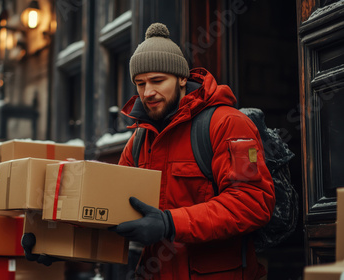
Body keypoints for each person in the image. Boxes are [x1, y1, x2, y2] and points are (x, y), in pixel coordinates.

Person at [109, 23, 275, 279]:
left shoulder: (227, 123)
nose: (148, 92)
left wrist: (170, 223)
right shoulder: (140, 140)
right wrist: (54, 244)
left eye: (157, 80)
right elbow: (109, 208)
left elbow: (252, 202)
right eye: (140, 84)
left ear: (183, 78)